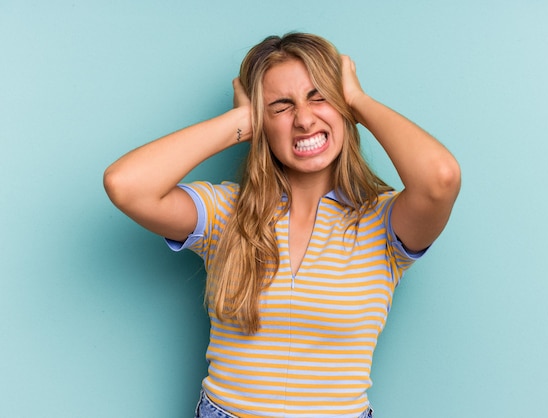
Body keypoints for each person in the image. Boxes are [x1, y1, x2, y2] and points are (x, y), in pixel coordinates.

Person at [104, 32, 461, 418]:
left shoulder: (383, 221)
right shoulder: (225, 212)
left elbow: (440, 178)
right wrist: (239, 121)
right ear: (261, 121)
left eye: (320, 96)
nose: (305, 120)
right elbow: (125, 185)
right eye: (281, 106)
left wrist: (358, 100)